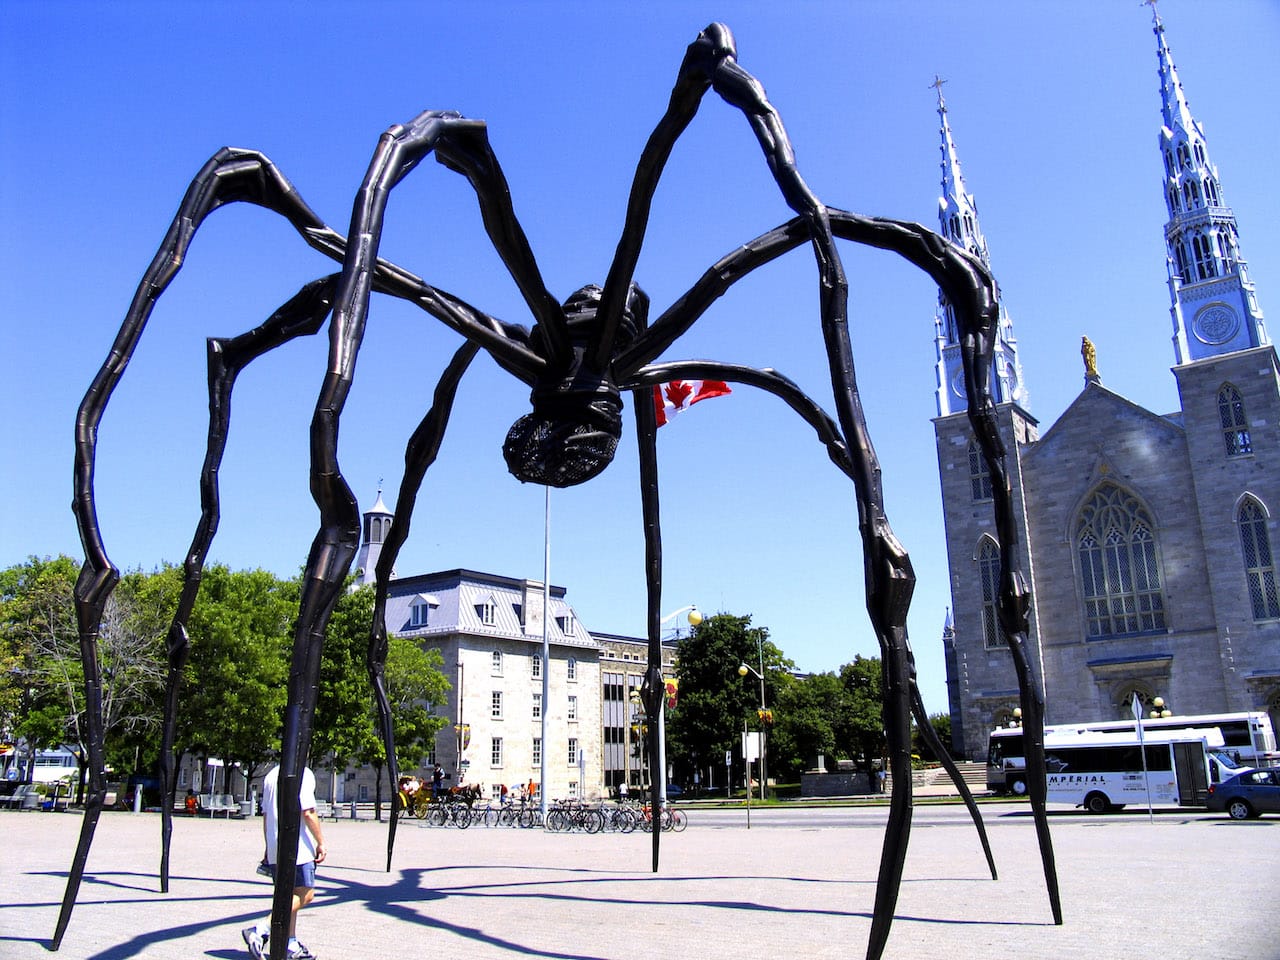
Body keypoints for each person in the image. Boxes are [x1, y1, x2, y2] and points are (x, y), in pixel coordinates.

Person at [241, 764, 327, 960]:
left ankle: (290, 943)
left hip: (275, 845)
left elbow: (265, 815)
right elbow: (308, 811)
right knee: (306, 894)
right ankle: (260, 929)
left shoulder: (271, 775)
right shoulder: (303, 773)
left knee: (290, 895)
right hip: (298, 846)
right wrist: (321, 842)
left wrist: (267, 846)